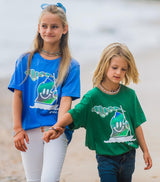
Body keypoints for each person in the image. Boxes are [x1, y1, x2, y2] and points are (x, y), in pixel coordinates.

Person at [43, 42, 152, 182]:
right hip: (106, 158)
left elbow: (136, 125)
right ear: (104, 65)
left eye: (123, 69)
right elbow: (74, 113)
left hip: (129, 155)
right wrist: (55, 127)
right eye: (114, 67)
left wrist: (145, 151)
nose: (118, 72)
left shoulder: (130, 95)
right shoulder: (93, 97)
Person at [8, 3, 80, 182]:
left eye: (54, 26)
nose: (49, 30)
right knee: (33, 180)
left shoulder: (71, 65)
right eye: (44, 26)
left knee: (49, 179)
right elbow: (18, 95)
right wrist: (17, 130)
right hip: (29, 129)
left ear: (65, 29)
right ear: (39, 28)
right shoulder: (25, 60)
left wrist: (58, 127)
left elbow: (66, 101)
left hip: (56, 129)